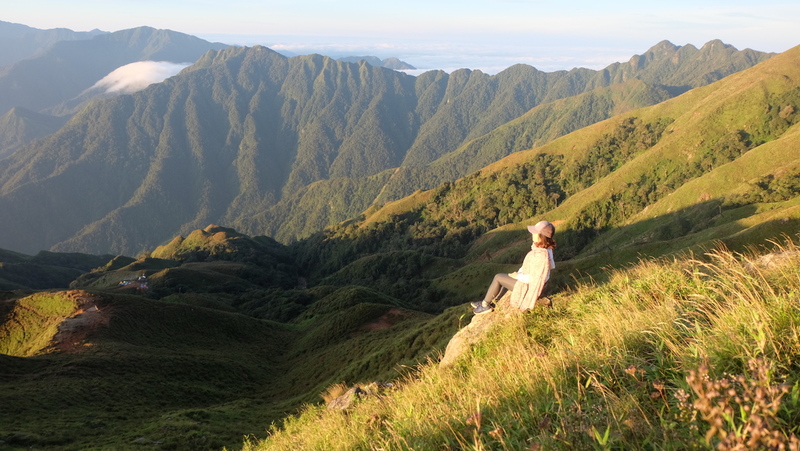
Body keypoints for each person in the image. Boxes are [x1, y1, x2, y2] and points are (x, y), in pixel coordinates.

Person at [472, 220, 556, 314]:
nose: (532, 233)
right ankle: (492, 301)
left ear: (541, 236)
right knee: (506, 278)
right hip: (535, 283)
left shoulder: (541, 255)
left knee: (498, 277)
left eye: (535, 232)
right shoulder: (546, 250)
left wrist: (518, 276)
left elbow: (535, 279)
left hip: (529, 287)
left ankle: (485, 305)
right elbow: (549, 267)